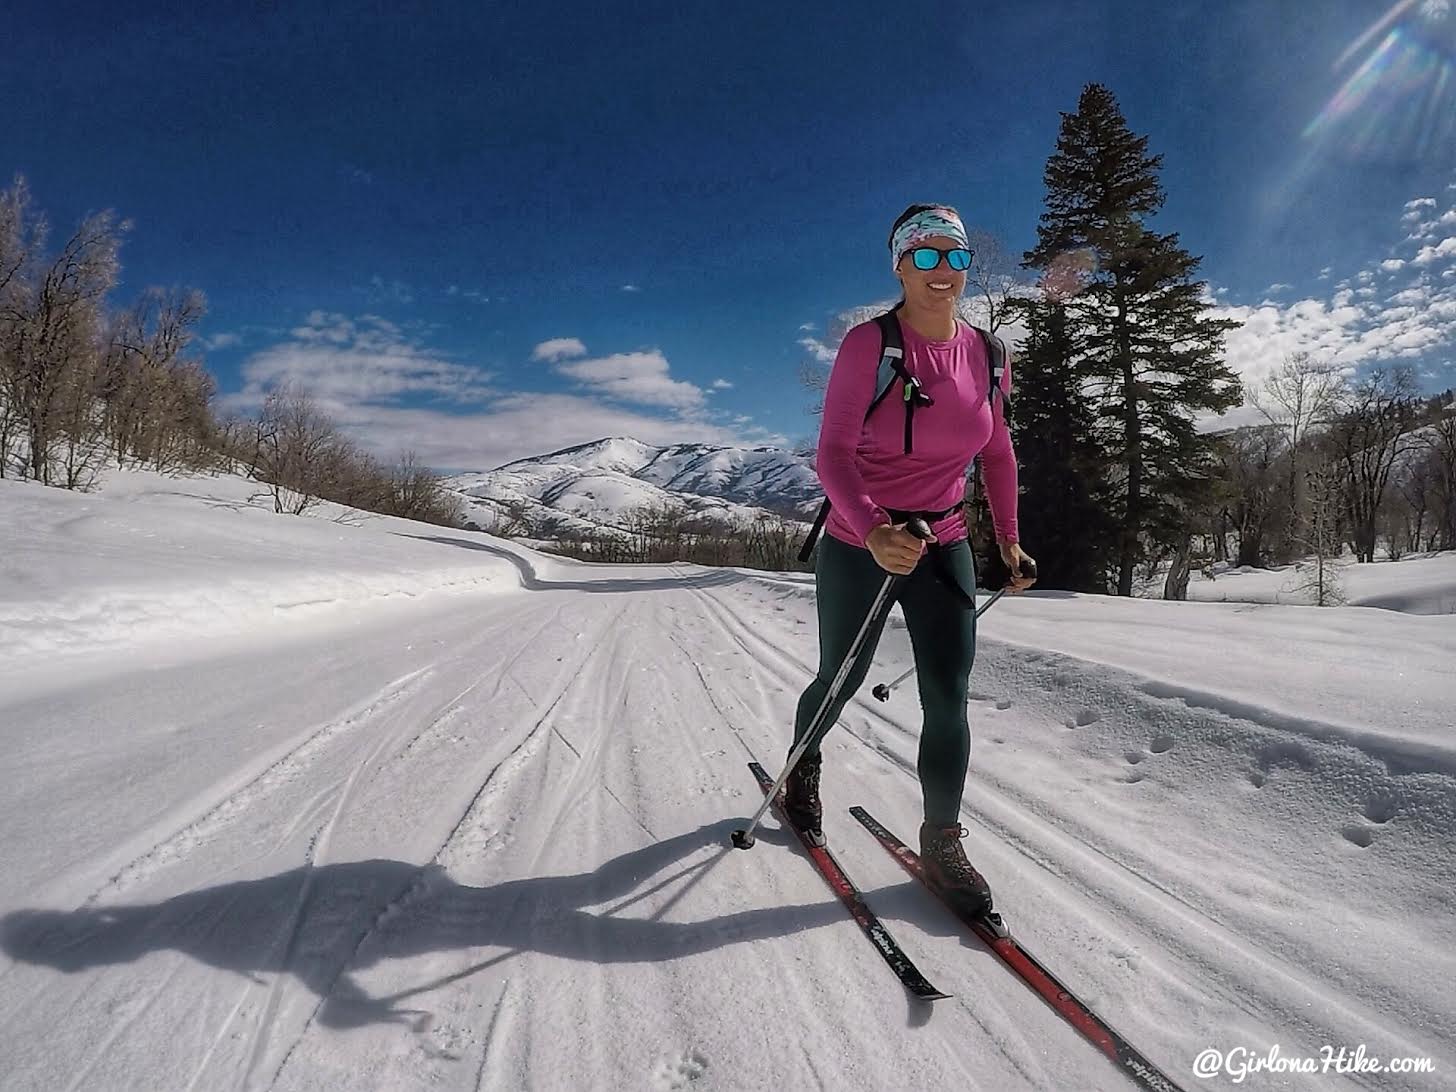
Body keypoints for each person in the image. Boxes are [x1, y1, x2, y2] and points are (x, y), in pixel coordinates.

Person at [785, 203, 1036, 919]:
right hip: (861, 539)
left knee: (948, 694)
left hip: (944, 540)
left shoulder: (989, 354)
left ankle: (942, 840)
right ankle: (804, 767)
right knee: (841, 675)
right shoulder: (872, 345)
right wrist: (870, 530)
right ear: (897, 265)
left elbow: (996, 449)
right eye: (924, 256)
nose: (942, 271)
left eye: (954, 256)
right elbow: (831, 454)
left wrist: (1008, 539)